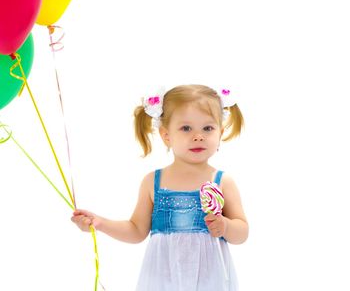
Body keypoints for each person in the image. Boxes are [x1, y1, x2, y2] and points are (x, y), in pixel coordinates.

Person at [71, 84, 249, 291]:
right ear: (166, 135)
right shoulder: (153, 181)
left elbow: (242, 232)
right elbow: (136, 230)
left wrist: (225, 226)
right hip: (163, 275)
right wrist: (100, 223)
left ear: (220, 132)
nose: (198, 136)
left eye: (208, 128)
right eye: (186, 128)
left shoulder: (221, 181)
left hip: (209, 277)